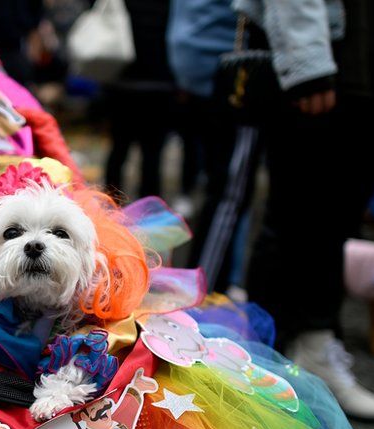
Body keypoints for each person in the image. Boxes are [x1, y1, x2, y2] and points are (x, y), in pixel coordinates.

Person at [238, 0, 374, 420]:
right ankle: (256, 366)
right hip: (325, 61)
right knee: (292, 219)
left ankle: (312, 352)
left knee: (335, 226)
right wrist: (306, 61)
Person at [167, 0, 261, 293]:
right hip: (234, 79)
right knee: (230, 193)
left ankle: (218, 281)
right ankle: (201, 292)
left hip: (199, 74)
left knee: (225, 189)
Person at [103, 0, 175, 199]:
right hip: (160, 84)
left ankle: (109, 205)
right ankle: (148, 209)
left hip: (122, 82)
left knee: (118, 149)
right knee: (152, 155)